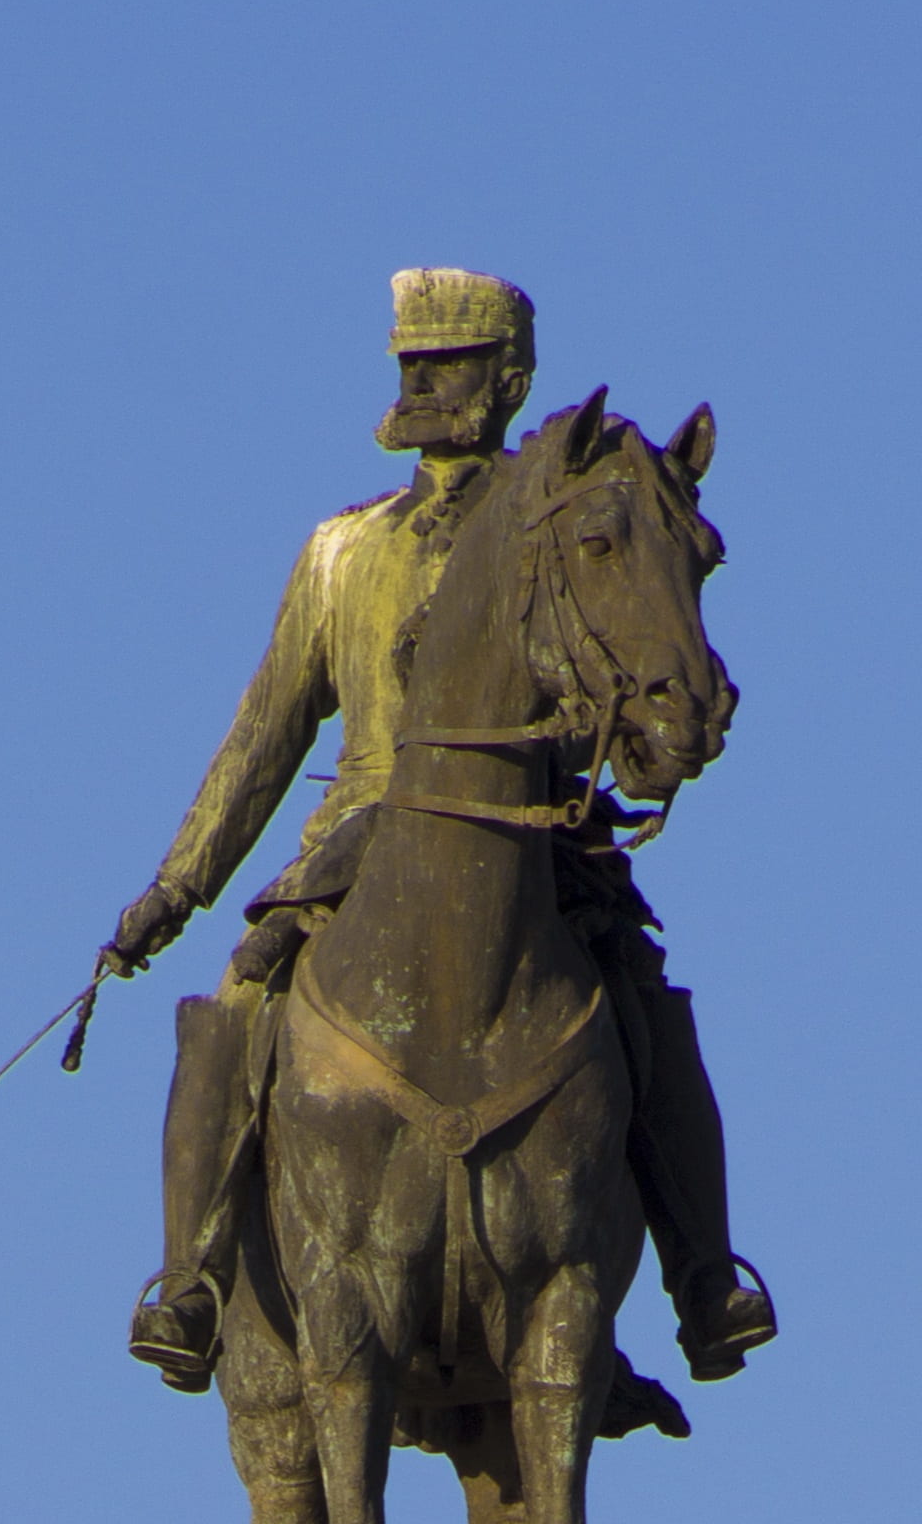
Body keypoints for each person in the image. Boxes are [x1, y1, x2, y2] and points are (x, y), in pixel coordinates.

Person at [105, 268, 777, 1401]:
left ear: (508, 381)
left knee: (642, 997)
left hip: (536, 826)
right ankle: (190, 1280)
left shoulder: (554, 513)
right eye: (414, 363)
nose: (430, 385)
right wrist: (175, 890)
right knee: (244, 999)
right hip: (359, 823)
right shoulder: (343, 548)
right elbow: (263, 738)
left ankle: (702, 1280)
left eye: (452, 365)